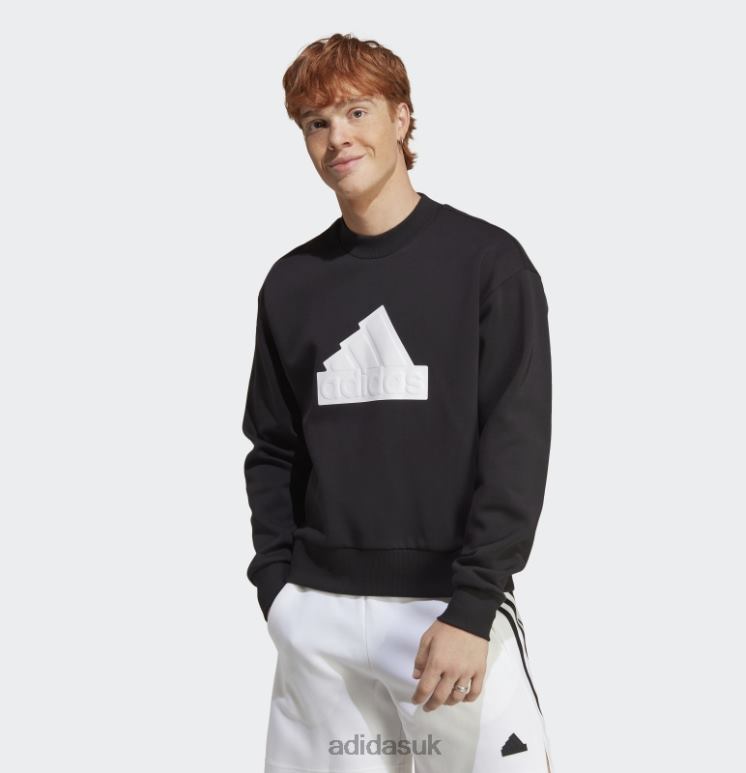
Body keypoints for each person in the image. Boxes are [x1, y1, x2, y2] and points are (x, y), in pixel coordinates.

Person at [242, 33, 555, 773]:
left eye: (357, 111)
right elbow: (273, 445)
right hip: (316, 618)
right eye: (316, 122)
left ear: (402, 117)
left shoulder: (488, 264)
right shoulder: (291, 283)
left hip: (445, 614)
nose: (337, 137)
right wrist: (279, 592)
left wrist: (472, 606)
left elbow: (514, 443)